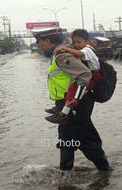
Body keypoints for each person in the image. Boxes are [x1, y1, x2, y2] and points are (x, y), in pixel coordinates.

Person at [31, 27, 112, 171]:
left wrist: (75, 99)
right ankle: (65, 174)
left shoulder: (62, 56)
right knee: (66, 139)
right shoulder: (58, 54)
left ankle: (105, 171)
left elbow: (85, 74)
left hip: (76, 103)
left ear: (48, 41)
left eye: (40, 42)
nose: (38, 45)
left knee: (86, 139)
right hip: (66, 103)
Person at [45, 29, 102, 124]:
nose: (76, 45)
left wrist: (77, 99)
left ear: (87, 42)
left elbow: (85, 72)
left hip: (94, 76)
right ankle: (59, 109)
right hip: (91, 75)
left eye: (78, 42)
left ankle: (63, 114)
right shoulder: (79, 49)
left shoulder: (87, 50)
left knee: (72, 91)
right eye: (74, 42)